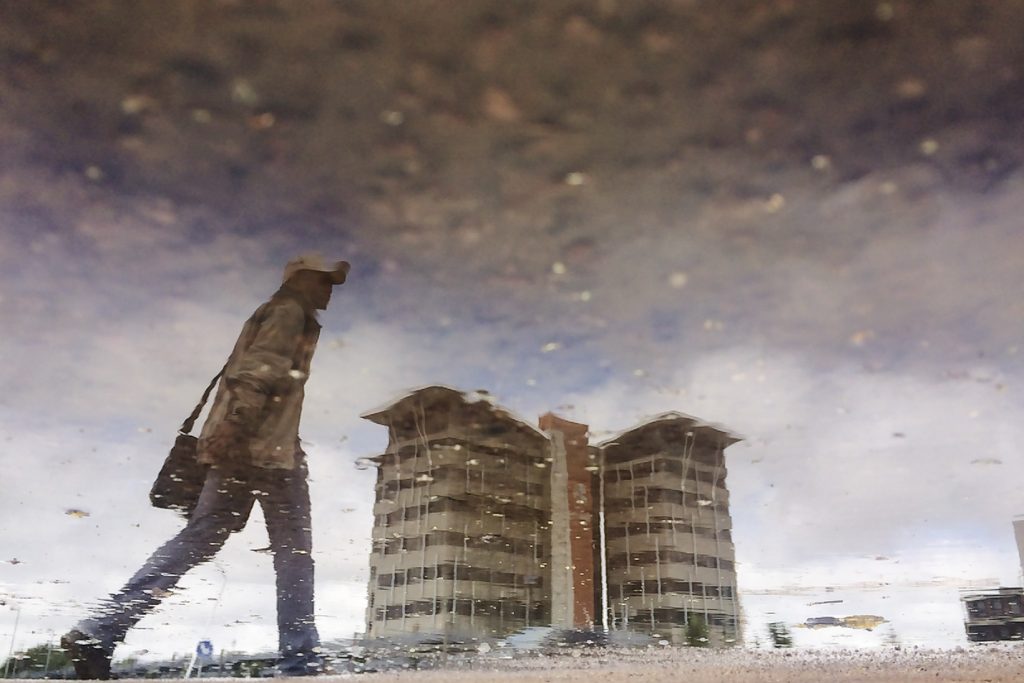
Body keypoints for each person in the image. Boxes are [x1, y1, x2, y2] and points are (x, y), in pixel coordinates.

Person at [62, 255, 351, 679]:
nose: (330, 290)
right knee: (295, 553)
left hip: (243, 444)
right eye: (325, 281)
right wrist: (237, 428)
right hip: (265, 450)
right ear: (303, 279)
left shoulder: (276, 311)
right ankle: (300, 660)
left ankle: (100, 630)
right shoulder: (289, 312)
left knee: (199, 538)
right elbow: (258, 373)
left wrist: (229, 434)